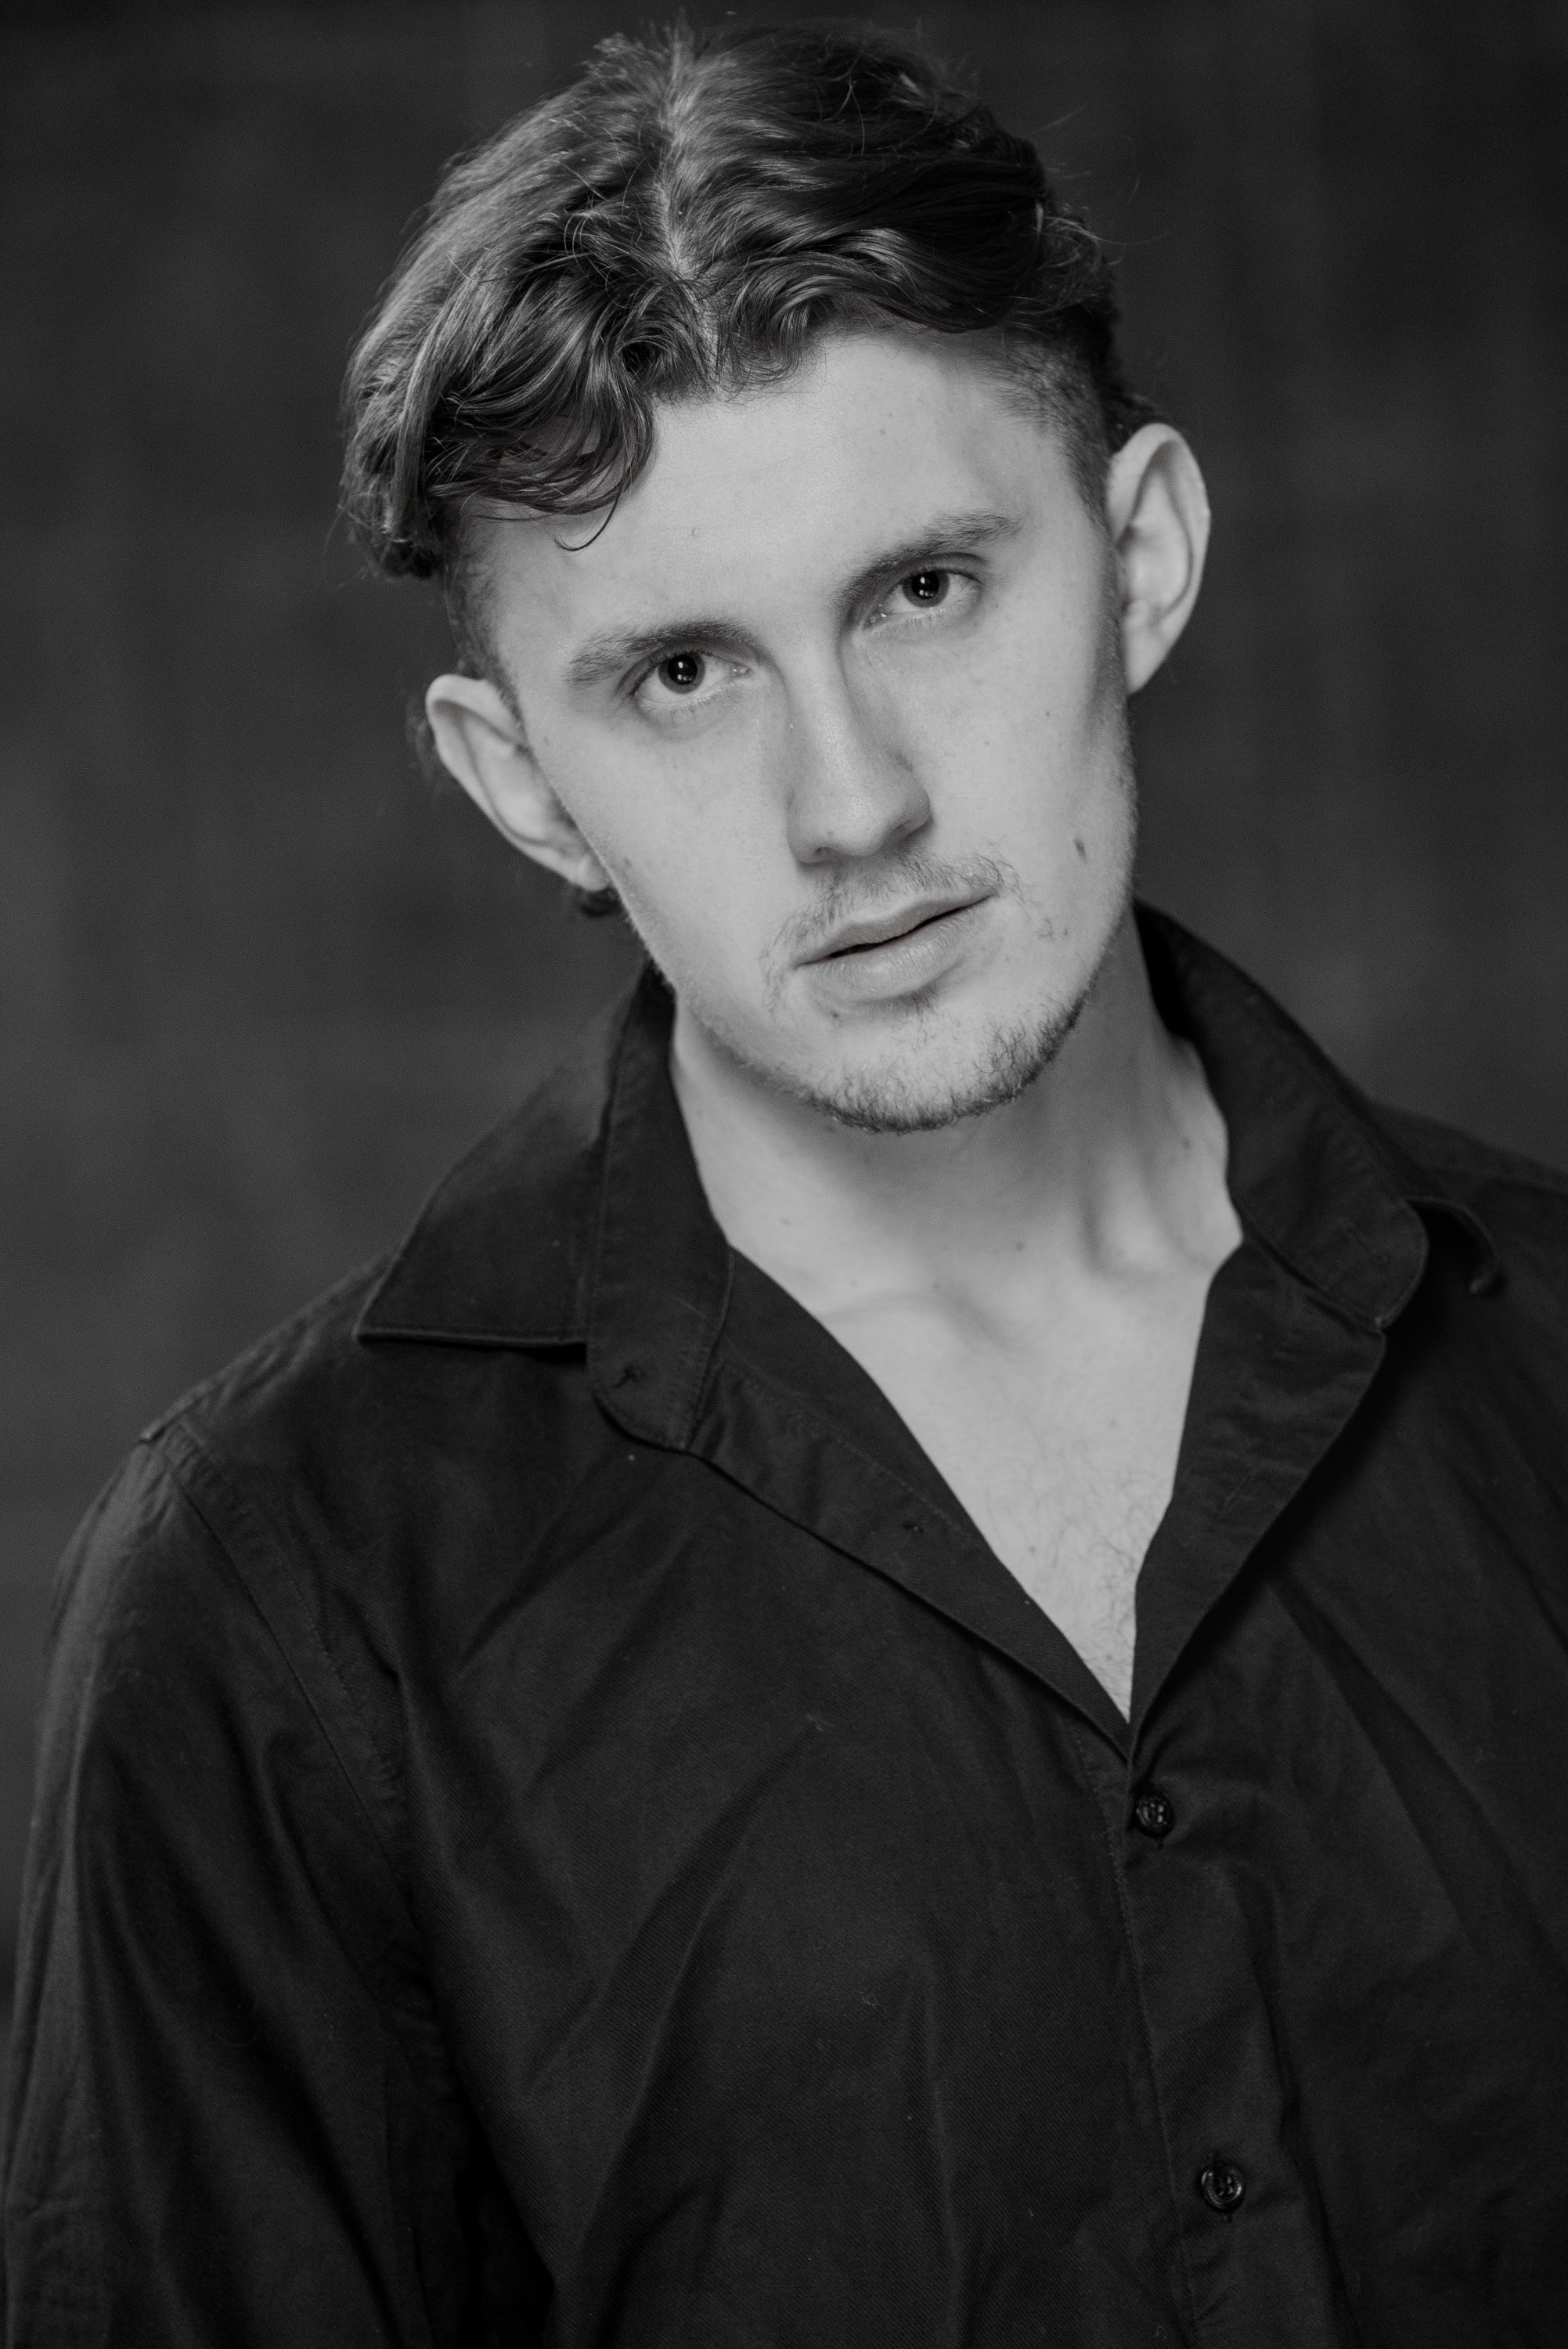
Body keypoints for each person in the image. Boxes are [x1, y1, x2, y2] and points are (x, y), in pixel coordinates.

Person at [5, 20, 1567, 2346]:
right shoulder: (276, 1598)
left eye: (924, 589)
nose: (853, 807)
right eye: (678, 676)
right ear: (521, 783)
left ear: (1138, 561)